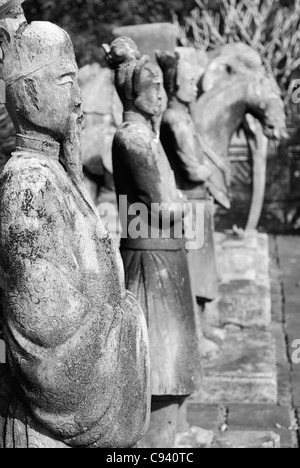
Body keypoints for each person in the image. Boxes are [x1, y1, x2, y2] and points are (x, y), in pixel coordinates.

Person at [0, 9, 150, 449]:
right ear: (28, 91)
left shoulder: (52, 175)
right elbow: (46, 334)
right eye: (67, 82)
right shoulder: (27, 188)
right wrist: (123, 319)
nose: (79, 98)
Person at [105, 37, 202, 448]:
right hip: (151, 261)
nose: (162, 95)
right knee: (161, 357)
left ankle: (173, 434)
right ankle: (159, 444)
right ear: (133, 92)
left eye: (164, 87)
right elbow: (164, 205)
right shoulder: (135, 139)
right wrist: (186, 206)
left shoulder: (145, 135)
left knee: (175, 354)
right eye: (154, 88)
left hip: (163, 255)